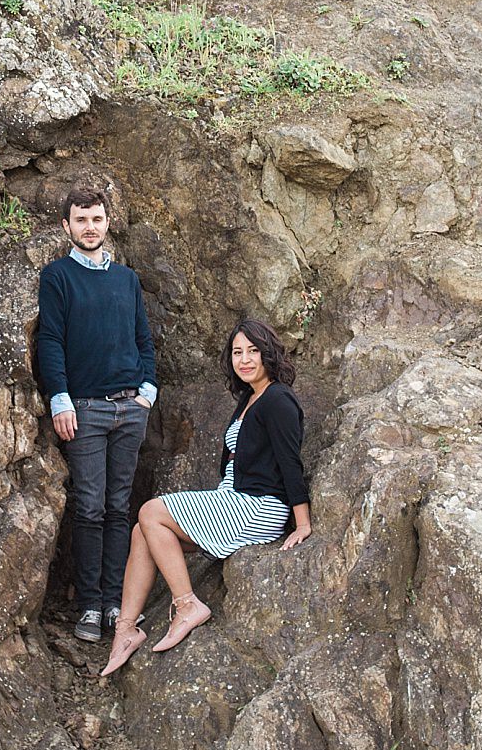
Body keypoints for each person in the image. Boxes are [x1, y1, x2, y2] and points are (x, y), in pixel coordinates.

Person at [101, 316, 312, 675]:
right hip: (233, 500)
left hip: (257, 505)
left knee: (151, 511)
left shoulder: (277, 399)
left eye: (253, 351)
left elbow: (290, 462)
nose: (244, 359)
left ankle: (188, 606)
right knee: (143, 532)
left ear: (268, 353)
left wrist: (302, 523)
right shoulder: (249, 398)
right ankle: (126, 630)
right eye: (237, 352)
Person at [36, 184, 158, 642]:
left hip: (131, 408)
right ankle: (89, 605)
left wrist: (147, 392)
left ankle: (115, 604)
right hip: (84, 409)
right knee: (89, 508)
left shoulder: (127, 280)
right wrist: (60, 398)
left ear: (108, 223)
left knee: (118, 508)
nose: (90, 227)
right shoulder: (57, 277)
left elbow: (143, 339)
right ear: (67, 226)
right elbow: (50, 340)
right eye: (81, 220)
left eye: (97, 219)